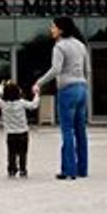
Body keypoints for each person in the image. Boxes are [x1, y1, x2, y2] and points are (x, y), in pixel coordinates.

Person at [33, 16, 90, 180]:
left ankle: (68, 171)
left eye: (53, 27)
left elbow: (56, 69)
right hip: (81, 88)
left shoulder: (60, 46)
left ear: (61, 29)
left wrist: (39, 82)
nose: (51, 30)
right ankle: (82, 169)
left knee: (67, 130)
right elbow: (89, 70)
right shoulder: (81, 45)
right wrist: (84, 85)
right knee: (81, 131)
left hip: (67, 90)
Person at [0, 80, 40, 178]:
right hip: (23, 133)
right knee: (23, 153)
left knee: (11, 153)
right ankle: (23, 169)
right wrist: (37, 94)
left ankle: (12, 169)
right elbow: (34, 105)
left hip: (11, 134)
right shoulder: (21, 103)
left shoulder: (3, 104)